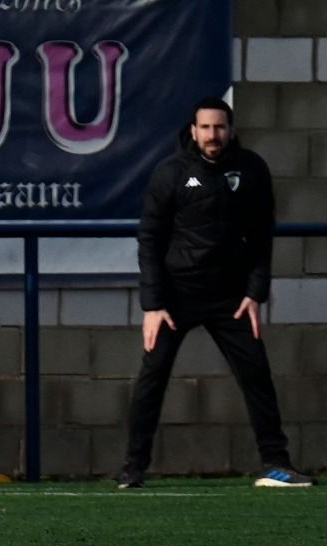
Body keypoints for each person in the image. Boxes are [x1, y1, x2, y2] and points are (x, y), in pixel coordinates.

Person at [117, 96, 313, 489]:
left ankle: (277, 464)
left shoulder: (251, 169)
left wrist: (255, 292)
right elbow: (149, 239)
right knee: (152, 378)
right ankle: (132, 468)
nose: (213, 135)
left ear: (231, 130)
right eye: (205, 128)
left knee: (257, 374)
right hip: (176, 296)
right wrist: (152, 304)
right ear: (193, 131)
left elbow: (261, 235)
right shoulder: (170, 173)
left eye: (219, 127)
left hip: (231, 298)